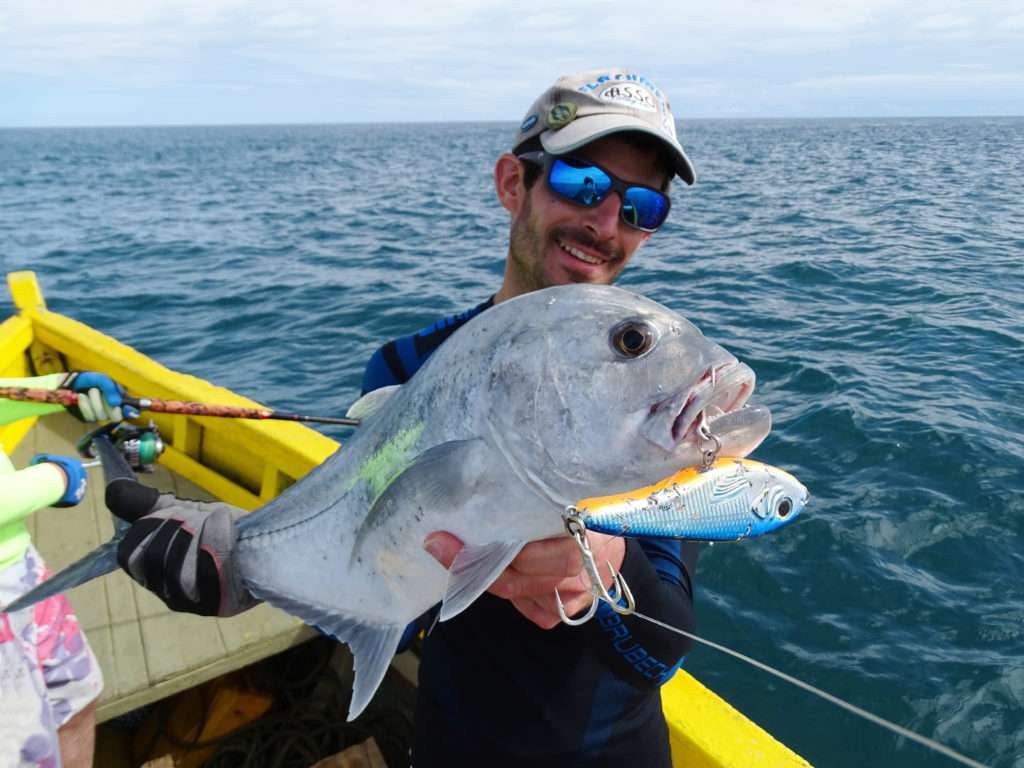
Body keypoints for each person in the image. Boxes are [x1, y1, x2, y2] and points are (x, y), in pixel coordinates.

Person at [113, 68, 701, 767]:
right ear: (513, 183)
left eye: (642, 208)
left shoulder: (658, 401)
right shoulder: (406, 369)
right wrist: (239, 570)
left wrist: (605, 571)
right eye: (583, 185)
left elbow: (661, 650)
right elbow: (385, 573)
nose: (607, 224)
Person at [0, 371, 130, 768]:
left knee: (77, 698)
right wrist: (55, 479)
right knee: (26, 755)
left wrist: (64, 388)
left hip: (21, 571)